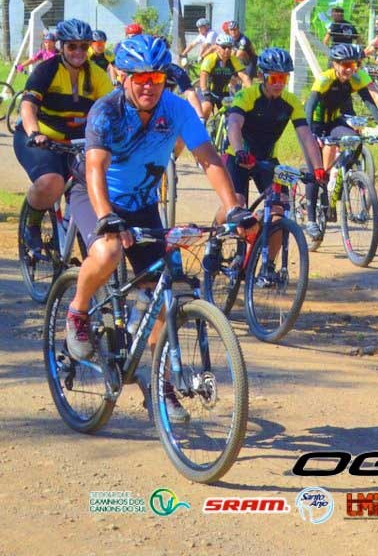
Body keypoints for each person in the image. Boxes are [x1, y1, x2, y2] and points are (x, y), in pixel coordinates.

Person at [61, 35, 250, 421]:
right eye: (141, 78)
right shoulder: (106, 111)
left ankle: (160, 385)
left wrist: (233, 208)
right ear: (123, 77)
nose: (149, 86)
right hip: (96, 196)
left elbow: (208, 158)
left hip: (143, 204)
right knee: (109, 251)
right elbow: (95, 167)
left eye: (157, 78)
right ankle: (77, 312)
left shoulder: (176, 109)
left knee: (164, 291)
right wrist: (106, 217)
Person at [224, 48, 323, 286]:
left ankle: (267, 267)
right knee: (236, 206)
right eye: (274, 78)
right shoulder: (247, 95)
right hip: (238, 157)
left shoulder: (290, 102)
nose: (279, 83)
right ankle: (217, 240)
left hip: (267, 161)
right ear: (262, 76)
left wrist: (319, 168)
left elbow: (306, 136)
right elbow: (234, 124)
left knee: (279, 209)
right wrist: (239, 150)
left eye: (284, 78)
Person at [13, 19, 114, 255]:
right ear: (61, 46)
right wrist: (34, 133)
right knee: (52, 181)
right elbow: (28, 106)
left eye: (83, 46)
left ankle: (82, 241)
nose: (78, 52)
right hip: (41, 140)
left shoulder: (97, 75)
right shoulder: (46, 70)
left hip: (78, 144)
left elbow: (111, 110)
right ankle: (32, 225)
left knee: (95, 186)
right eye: (72, 46)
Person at [304, 42, 378, 237]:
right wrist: (311, 135)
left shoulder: (354, 79)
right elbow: (309, 107)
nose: (350, 69)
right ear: (335, 64)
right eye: (345, 65)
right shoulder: (325, 79)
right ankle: (311, 219)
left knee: (354, 139)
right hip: (315, 123)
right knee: (315, 171)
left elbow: (370, 104)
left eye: (353, 65)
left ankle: (339, 173)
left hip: (334, 122)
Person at [196, 33, 250, 120]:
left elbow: (244, 77)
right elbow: (203, 76)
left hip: (223, 94)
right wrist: (205, 91)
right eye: (224, 47)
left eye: (229, 47)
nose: (227, 50)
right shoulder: (210, 58)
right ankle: (200, 127)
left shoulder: (234, 60)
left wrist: (251, 92)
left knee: (233, 115)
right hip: (208, 92)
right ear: (217, 47)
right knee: (206, 107)